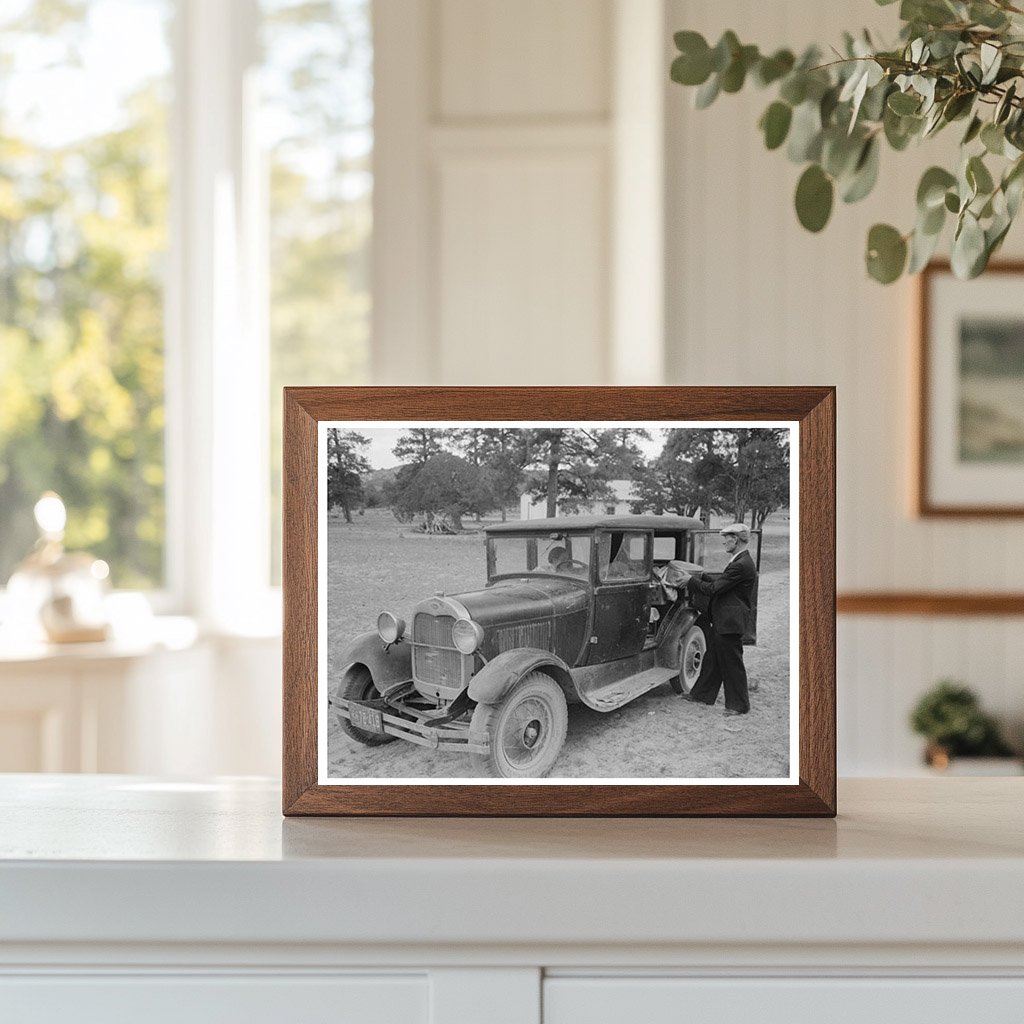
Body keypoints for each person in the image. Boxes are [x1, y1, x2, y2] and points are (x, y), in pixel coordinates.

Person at [681, 523, 757, 716]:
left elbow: (715, 590)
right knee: (713, 658)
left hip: (730, 622)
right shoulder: (739, 560)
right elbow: (723, 584)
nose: (724, 541)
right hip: (725, 620)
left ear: (736, 539)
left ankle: (739, 705)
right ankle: (702, 694)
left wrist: (690, 581)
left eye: (727, 538)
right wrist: (702, 576)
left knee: (732, 664)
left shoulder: (741, 564)